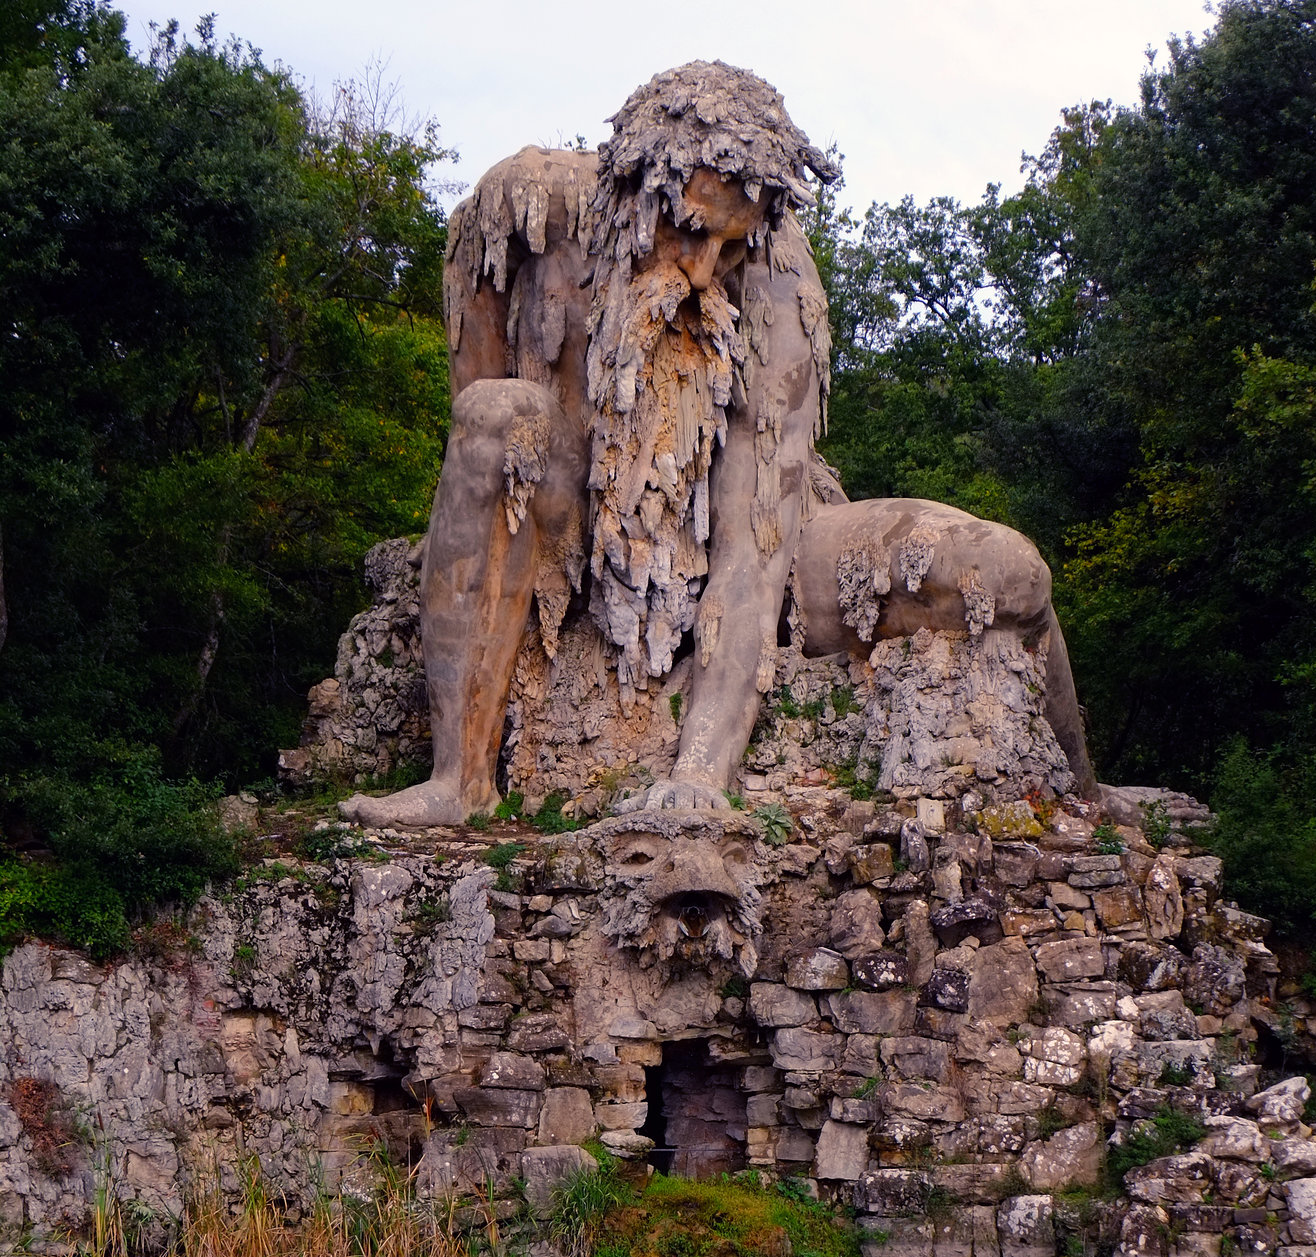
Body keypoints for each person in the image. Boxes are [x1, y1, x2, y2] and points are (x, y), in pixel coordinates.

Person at [341, 61, 1093, 829]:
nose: (704, 272)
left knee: (1012, 575)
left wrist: (700, 772)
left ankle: (1090, 791)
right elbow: (470, 428)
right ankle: (458, 780)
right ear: (633, 192)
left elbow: (752, 555)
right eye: (691, 233)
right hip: (580, 518)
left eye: (728, 248)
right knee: (499, 416)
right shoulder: (525, 214)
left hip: (770, 543)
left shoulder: (777, 284)